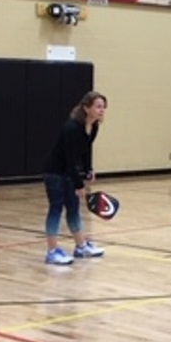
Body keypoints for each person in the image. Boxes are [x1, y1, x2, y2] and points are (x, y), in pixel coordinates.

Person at [41, 91, 108, 265]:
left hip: (69, 172)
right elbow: (71, 159)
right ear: (86, 108)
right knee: (56, 208)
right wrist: (79, 185)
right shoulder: (71, 128)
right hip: (55, 172)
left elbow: (85, 151)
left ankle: (81, 246)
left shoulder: (93, 127)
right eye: (98, 107)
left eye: (104, 107)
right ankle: (52, 251)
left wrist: (88, 169)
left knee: (73, 208)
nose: (102, 110)